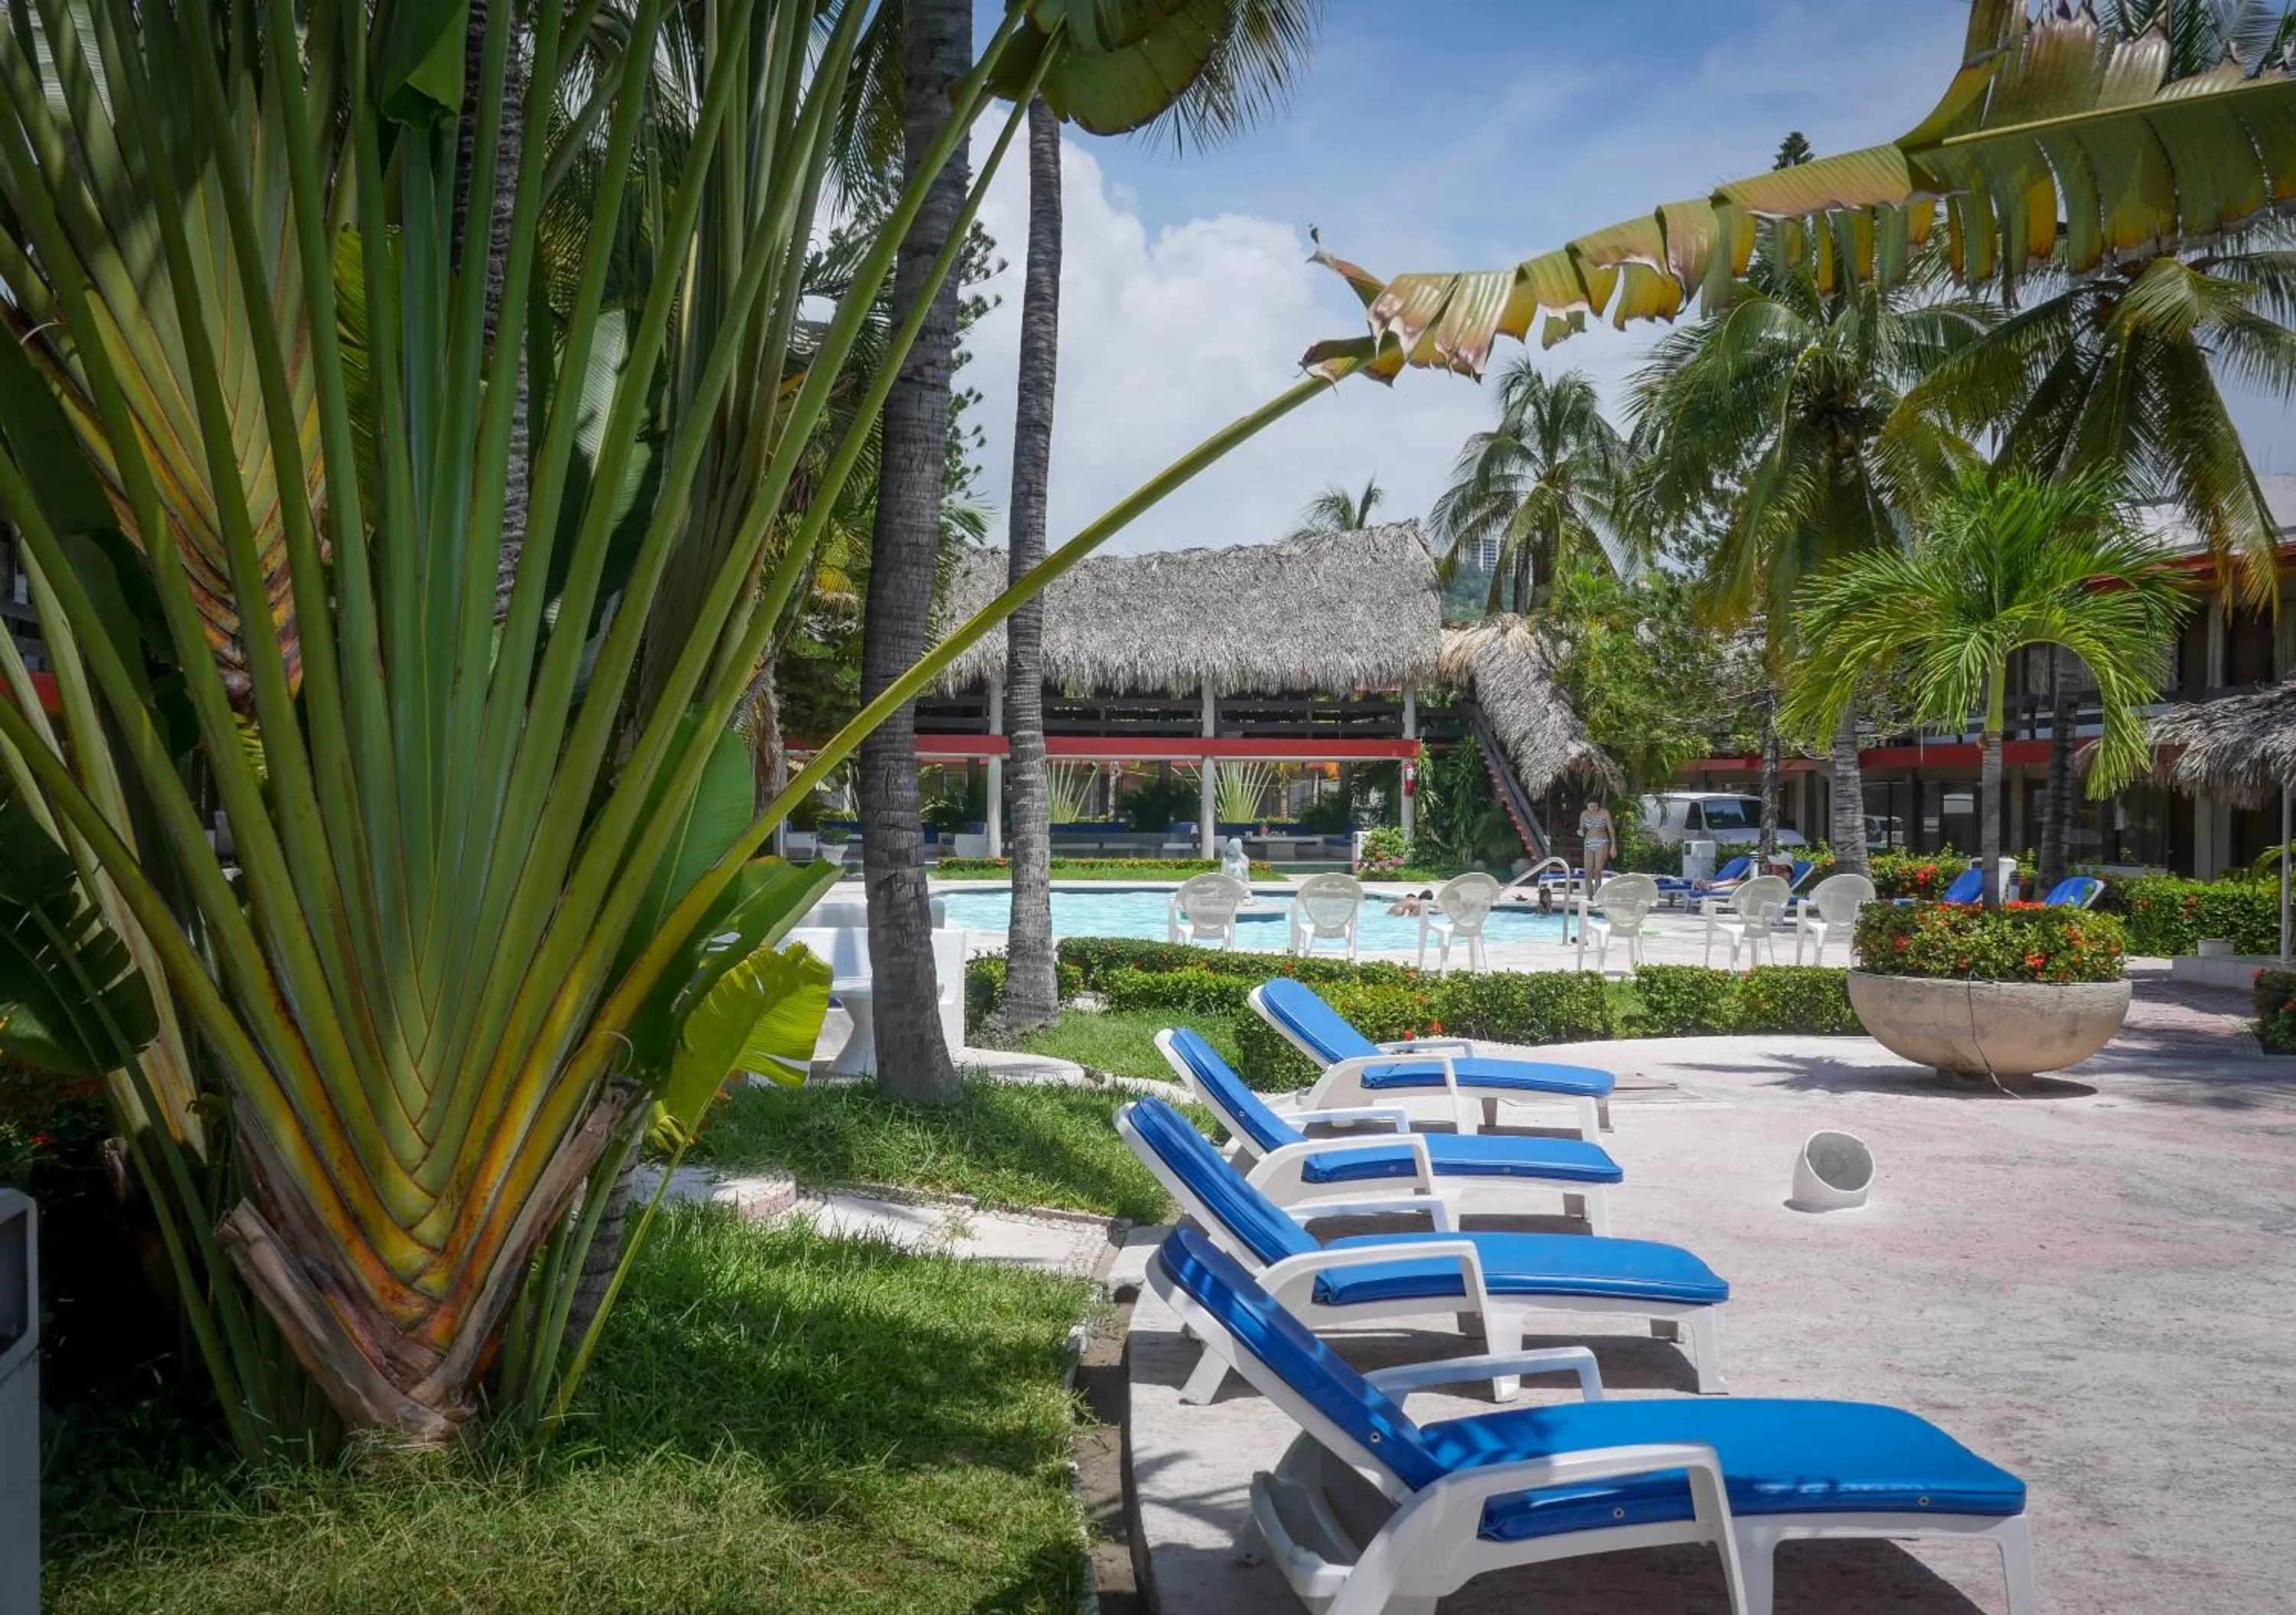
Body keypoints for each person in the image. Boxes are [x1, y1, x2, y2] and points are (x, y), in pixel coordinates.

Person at [1578, 796, 1615, 887]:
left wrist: (1613, 846)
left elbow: (1611, 829)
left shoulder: (1605, 813)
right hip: (1588, 842)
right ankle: (1589, 895)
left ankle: (1597, 892)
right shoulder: (1584, 814)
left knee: (1598, 870)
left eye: (1595, 806)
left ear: (1599, 805)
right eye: (1590, 806)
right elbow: (1581, 828)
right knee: (1588, 871)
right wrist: (1580, 832)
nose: (1593, 809)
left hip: (1602, 841)